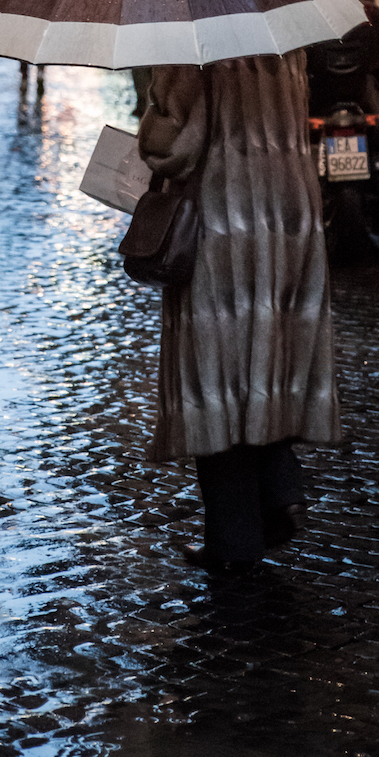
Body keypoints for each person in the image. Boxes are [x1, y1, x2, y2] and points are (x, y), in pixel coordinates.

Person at [138, 51, 342, 568]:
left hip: (223, 223)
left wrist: (151, 113)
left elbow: (171, 147)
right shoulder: (284, 41)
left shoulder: (191, 43)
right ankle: (280, 489)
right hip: (287, 213)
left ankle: (234, 539)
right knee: (269, 358)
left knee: (217, 377)